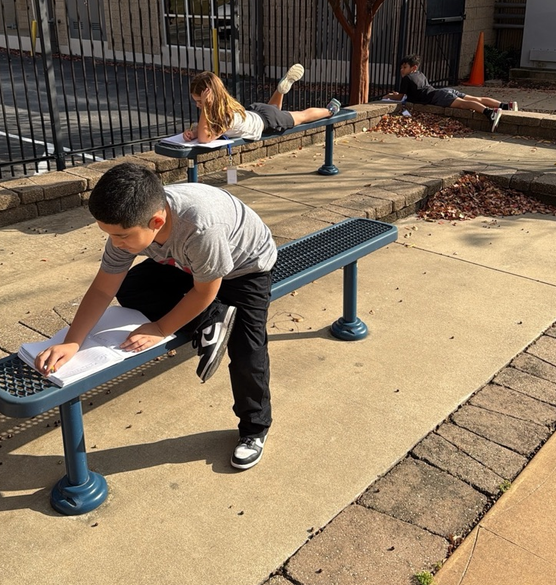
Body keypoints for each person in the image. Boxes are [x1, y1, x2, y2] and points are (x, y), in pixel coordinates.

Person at [34, 162, 277, 470]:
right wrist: (72, 342)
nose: (115, 243)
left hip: (245, 269)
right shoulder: (131, 223)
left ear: (157, 220)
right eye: (108, 234)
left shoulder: (201, 227)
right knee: (132, 287)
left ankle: (254, 429)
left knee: (246, 348)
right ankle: (213, 319)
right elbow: (102, 289)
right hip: (189, 266)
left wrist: (162, 328)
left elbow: (204, 291)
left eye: (121, 236)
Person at [183, 64, 341, 143]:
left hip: (264, 118)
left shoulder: (226, 116)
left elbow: (205, 139)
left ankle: (330, 110)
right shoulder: (224, 108)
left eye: (200, 101)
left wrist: (205, 108)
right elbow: (208, 129)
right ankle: (280, 90)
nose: (198, 105)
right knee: (275, 111)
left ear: (210, 98)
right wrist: (194, 133)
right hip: (258, 112)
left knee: (302, 116)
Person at [386, 56, 518, 132]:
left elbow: (401, 96)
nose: (401, 70)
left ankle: (490, 113)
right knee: (475, 98)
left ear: (413, 68)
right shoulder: (419, 74)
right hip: (444, 91)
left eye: (404, 67)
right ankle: (506, 106)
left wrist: (389, 96)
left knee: (464, 104)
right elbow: (414, 90)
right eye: (401, 67)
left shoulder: (407, 78)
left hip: (436, 96)